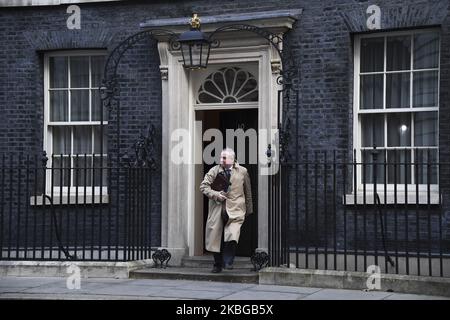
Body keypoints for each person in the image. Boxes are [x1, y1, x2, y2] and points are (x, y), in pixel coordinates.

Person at [200, 148, 253, 273]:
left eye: (224, 157)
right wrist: (215, 194)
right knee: (214, 237)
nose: (221, 160)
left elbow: (248, 192)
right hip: (217, 208)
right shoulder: (214, 170)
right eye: (220, 157)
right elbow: (203, 186)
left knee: (232, 235)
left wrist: (249, 209)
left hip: (236, 208)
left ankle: (228, 261)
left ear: (232, 159)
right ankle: (217, 264)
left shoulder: (242, 171)